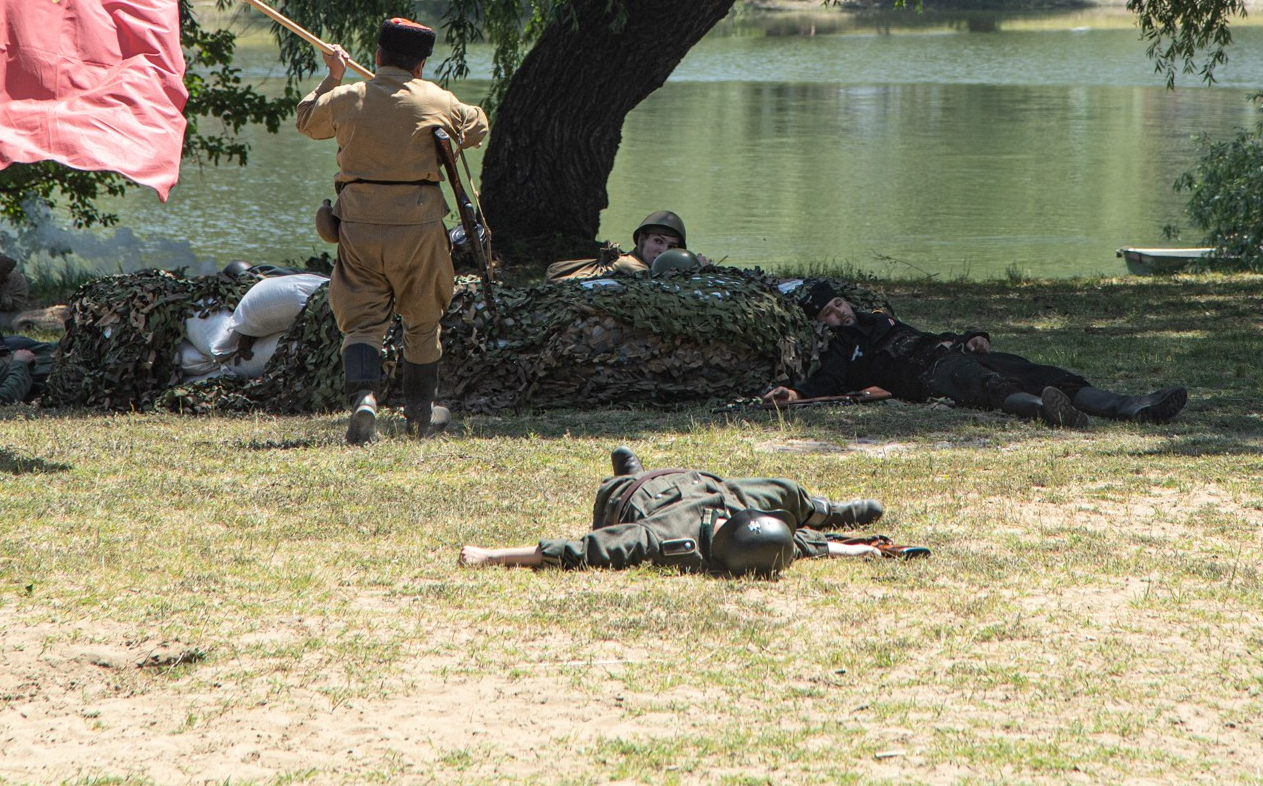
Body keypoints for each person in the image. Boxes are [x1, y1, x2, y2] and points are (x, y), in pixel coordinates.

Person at [296, 17, 489, 444]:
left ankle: (365, 399)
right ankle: (419, 414)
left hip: (359, 226)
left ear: (379, 56)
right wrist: (435, 104)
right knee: (422, 320)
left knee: (362, 322)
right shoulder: (437, 99)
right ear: (420, 65)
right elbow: (477, 126)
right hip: (419, 228)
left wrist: (333, 77)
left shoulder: (348, 97)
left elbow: (307, 121)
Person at [762, 280, 1187, 428]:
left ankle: (1130, 407)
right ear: (823, 322)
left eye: (839, 304)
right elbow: (826, 385)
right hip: (927, 378)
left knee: (1039, 370)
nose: (840, 312)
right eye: (830, 313)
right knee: (990, 387)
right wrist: (795, 395)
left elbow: (931, 334)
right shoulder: (842, 351)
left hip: (950, 353)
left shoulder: (881, 320)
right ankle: (1047, 412)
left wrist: (972, 337)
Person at [459, 447, 888, 574]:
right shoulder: (728, 526)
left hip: (637, 494)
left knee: (622, 480)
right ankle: (823, 510)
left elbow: (582, 550)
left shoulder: (666, 539)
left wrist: (491, 555)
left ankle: (630, 471)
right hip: (695, 484)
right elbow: (801, 546)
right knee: (778, 490)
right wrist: (858, 549)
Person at [547, 211, 691, 281]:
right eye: (658, 241)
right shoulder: (629, 265)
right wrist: (695, 270)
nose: (663, 251)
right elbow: (655, 285)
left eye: (672, 247)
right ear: (642, 240)